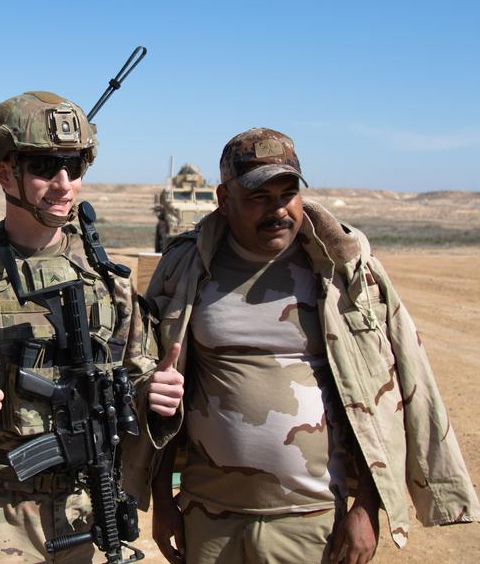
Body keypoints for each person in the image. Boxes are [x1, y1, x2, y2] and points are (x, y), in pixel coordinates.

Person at [139, 127, 479, 563]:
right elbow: (161, 391)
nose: (278, 209)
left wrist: (369, 507)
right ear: (224, 200)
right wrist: (162, 499)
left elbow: (388, 393)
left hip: (316, 522)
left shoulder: (345, 273)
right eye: (259, 197)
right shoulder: (185, 269)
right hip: (209, 518)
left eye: (288, 193)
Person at [0, 91, 184, 563]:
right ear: (5, 172)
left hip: (84, 511)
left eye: (74, 166)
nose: (64, 184)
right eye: (46, 168)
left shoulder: (108, 283)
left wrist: (154, 393)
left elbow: (133, 379)